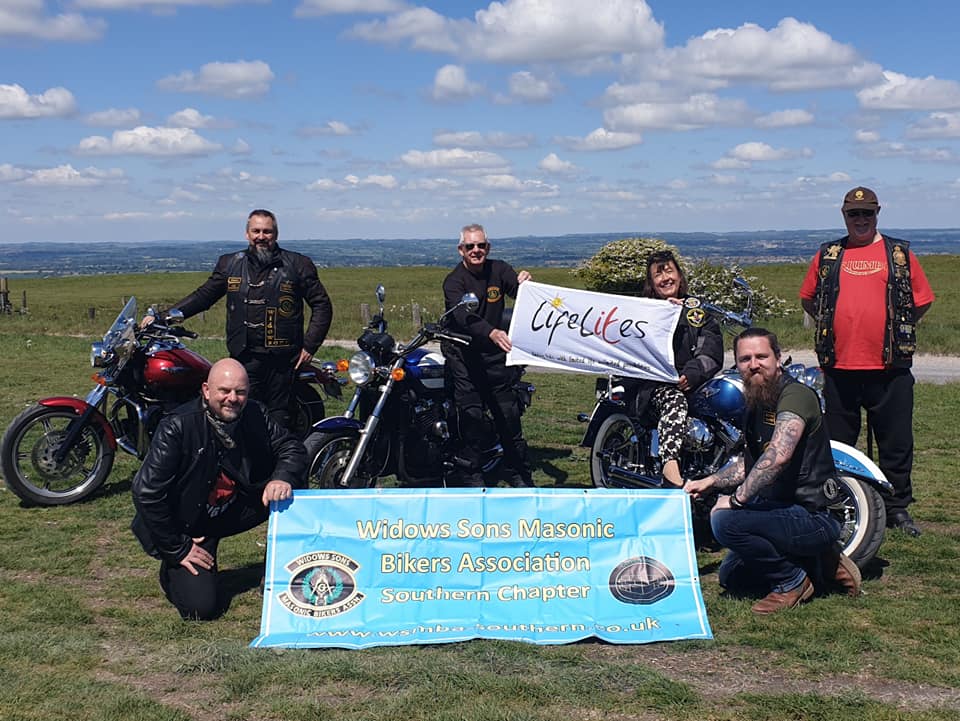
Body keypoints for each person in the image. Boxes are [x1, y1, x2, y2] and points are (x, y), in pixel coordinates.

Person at [685, 328, 861, 615]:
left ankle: (792, 581)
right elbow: (752, 463)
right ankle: (820, 561)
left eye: (761, 356)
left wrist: (736, 500)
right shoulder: (757, 399)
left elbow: (777, 457)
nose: (753, 364)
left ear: (778, 359)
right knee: (732, 578)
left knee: (724, 521)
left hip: (814, 513)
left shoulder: (796, 396)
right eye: (745, 359)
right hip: (780, 509)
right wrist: (711, 481)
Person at [799, 187, 935, 537]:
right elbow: (809, 299)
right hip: (838, 368)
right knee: (837, 443)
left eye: (867, 213)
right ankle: (842, 500)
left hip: (890, 368)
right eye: (854, 214)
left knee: (896, 442)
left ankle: (896, 507)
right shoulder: (829, 255)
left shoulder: (899, 254)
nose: (860, 220)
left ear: (878, 213)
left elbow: (921, 301)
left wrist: (895, 328)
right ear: (844, 215)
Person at [131, 358, 306, 620]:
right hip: (188, 524)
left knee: (293, 490)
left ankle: (281, 569)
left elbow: (292, 447)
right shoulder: (177, 426)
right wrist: (177, 548)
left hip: (234, 506)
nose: (232, 398)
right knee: (201, 608)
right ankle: (173, 569)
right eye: (224, 391)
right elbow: (146, 492)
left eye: (240, 392)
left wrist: (281, 478)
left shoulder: (256, 413)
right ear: (206, 390)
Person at [144, 209, 333, 429]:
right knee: (242, 416)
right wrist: (164, 318)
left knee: (279, 420)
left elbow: (322, 305)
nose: (261, 236)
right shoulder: (230, 264)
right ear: (247, 234)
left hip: (283, 360)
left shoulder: (297, 264)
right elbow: (203, 296)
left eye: (267, 231)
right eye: (256, 231)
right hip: (244, 356)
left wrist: (310, 345)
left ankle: (281, 451)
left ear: (276, 234)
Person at [441, 223, 533, 488]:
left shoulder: (499, 270)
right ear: (461, 249)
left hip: (495, 359)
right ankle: (471, 476)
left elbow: (521, 295)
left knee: (508, 418)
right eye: (470, 246)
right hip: (464, 358)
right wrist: (491, 331)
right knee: (471, 419)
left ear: (488, 247)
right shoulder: (454, 281)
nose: (476, 250)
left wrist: (528, 286)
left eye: (481, 245)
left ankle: (518, 474)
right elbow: (463, 317)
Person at [640, 250, 723, 486]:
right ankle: (670, 467)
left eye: (669, 271)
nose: (665, 278)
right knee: (674, 400)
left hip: (693, 383)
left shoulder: (697, 311)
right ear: (651, 283)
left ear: (679, 275)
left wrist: (693, 373)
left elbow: (711, 348)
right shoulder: (643, 311)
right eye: (658, 274)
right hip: (653, 386)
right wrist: (664, 315)